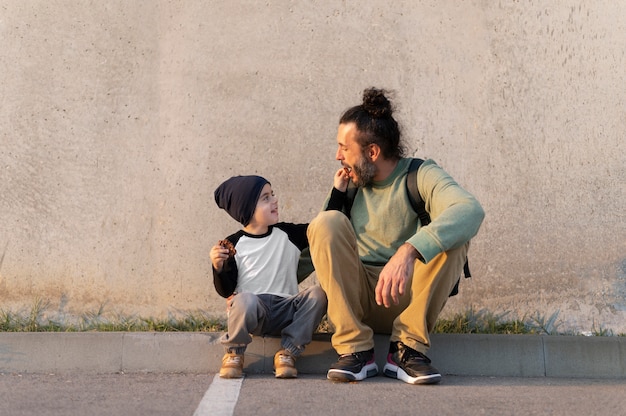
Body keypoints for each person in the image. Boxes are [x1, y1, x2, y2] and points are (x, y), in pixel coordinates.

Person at [307, 87, 485, 385]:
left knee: (454, 237)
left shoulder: (420, 175)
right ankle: (355, 350)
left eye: (344, 148)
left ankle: (407, 350)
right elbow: (314, 250)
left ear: (372, 152)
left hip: (407, 296)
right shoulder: (349, 186)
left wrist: (409, 251)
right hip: (359, 299)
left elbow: (471, 210)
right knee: (326, 223)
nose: (337, 156)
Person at [211, 175, 328, 379]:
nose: (274, 200)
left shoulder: (288, 234)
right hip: (256, 312)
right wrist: (218, 267)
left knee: (318, 294)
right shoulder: (233, 244)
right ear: (247, 208)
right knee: (243, 298)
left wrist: (339, 190)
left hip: (287, 308)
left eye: (272, 195)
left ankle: (288, 352)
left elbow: (322, 226)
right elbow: (226, 290)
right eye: (265, 198)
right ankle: (234, 353)